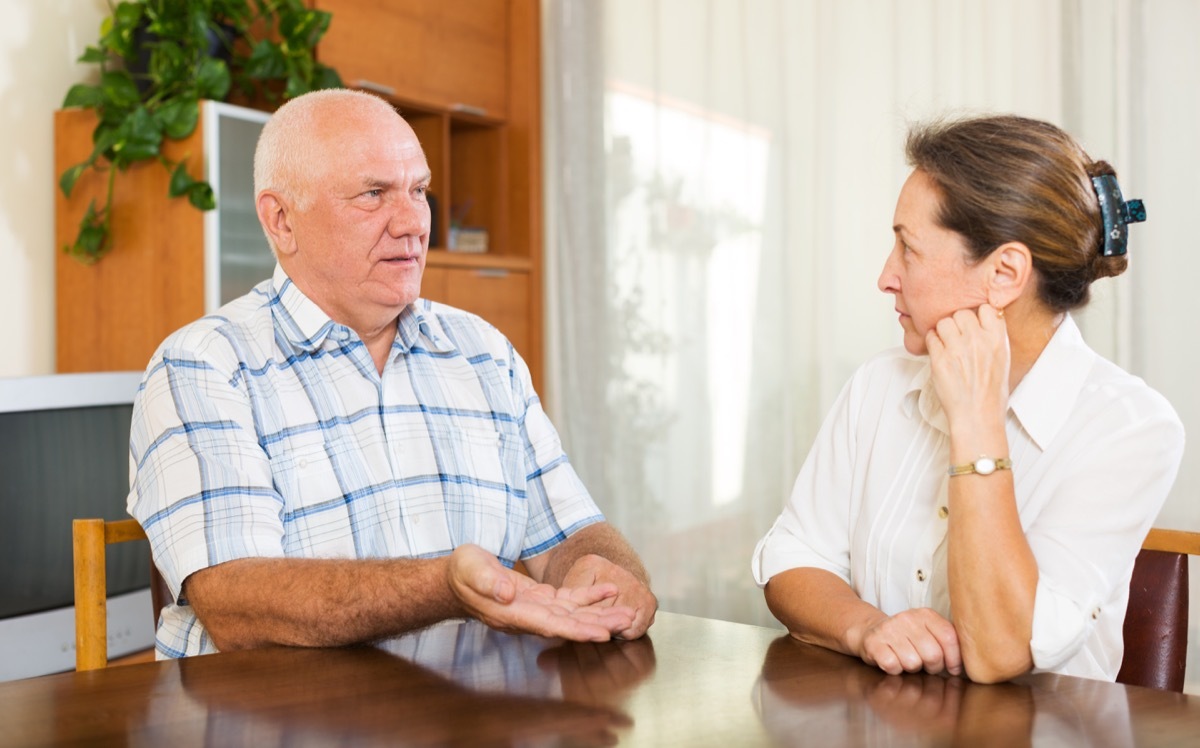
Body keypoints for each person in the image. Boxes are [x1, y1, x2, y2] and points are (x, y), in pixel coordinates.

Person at [127, 88, 656, 658]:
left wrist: (606, 576)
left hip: (471, 704)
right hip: (275, 709)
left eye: (419, 191)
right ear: (281, 220)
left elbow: (571, 533)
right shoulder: (203, 366)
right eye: (373, 194)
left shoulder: (484, 353)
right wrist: (445, 586)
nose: (413, 224)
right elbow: (237, 605)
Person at [751, 114, 1184, 684]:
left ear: (1004, 273)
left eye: (908, 249)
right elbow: (792, 558)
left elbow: (1001, 651)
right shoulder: (878, 383)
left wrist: (977, 421)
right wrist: (866, 628)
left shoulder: (1132, 428)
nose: (885, 276)